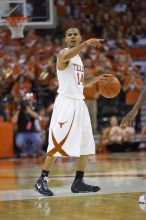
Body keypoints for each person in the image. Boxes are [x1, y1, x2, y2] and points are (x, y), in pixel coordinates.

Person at [34, 27, 112, 196]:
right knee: (57, 142)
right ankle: (42, 180)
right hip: (66, 103)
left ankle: (78, 182)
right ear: (66, 39)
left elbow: (81, 82)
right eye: (69, 34)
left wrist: (98, 78)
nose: (73, 36)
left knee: (86, 144)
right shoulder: (64, 53)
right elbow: (64, 57)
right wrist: (86, 43)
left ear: (79, 36)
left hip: (80, 102)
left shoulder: (78, 58)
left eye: (76, 34)